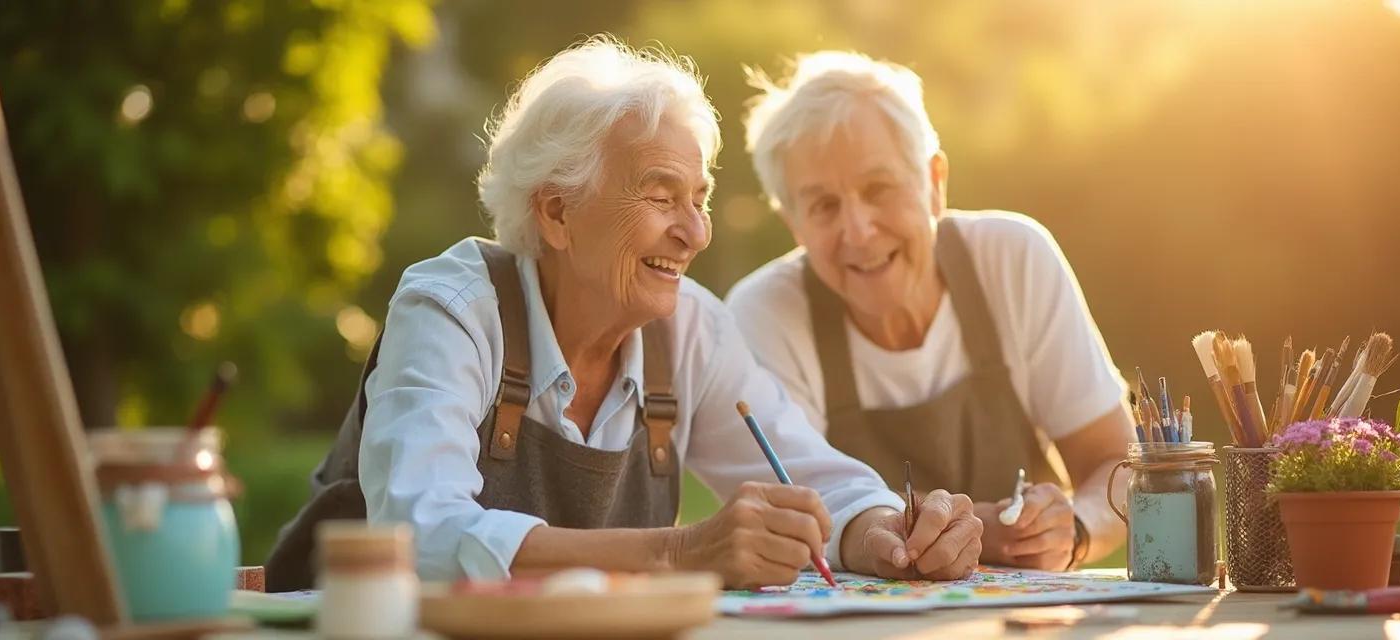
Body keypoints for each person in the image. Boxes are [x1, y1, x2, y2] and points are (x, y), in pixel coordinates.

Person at [264, 38, 983, 591]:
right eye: (662, 196)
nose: (696, 232)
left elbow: (818, 479)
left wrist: (889, 531)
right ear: (557, 212)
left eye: (699, 199)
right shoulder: (452, 309)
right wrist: (678, 551)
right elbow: (417, 536)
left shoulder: (690, 327)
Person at [727, 51, 1131, 572]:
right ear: (794, 224)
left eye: (878, 189)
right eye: (824, 205)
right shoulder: (764, 313)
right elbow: (793, 512)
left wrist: (1075, 527)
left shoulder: (1013, 259)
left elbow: (1120, 464)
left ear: (934, 181)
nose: (858, 231)